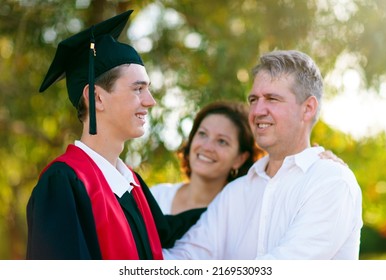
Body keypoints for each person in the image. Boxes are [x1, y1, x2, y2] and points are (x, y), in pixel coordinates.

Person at [26, 10, 199, 260]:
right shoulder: (63, 183)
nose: (150, 102)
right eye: (138, 89)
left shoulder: (130, 182)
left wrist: (233, 196)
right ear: (96, 97)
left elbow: (168, 234)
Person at [163, 50, 363, 260]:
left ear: (308, 109)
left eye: (272, 99)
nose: (257, 111)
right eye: (253, 99)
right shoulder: (236, 192)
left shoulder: (331, 181)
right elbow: (187, 258)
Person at [151, 101, 264, 215]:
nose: (207, 147)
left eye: (222, 141)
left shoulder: (238, 215)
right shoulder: (155, 198)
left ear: (240, 159)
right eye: (202, 134)